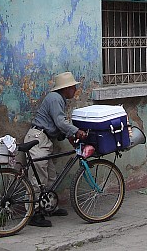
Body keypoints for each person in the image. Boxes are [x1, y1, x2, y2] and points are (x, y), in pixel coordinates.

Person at [24, 71, 87, 227]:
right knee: (38, 178)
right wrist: (76, 131)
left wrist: (71, 136)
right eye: (73, 87)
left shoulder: (59, 99)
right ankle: (33, 213)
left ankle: (49, 206)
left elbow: (59, 125)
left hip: (44, 140)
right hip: (37, 139)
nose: (74, 90)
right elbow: (60, 122)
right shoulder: (55, 99)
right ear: (66, 88)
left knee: (51, 176)